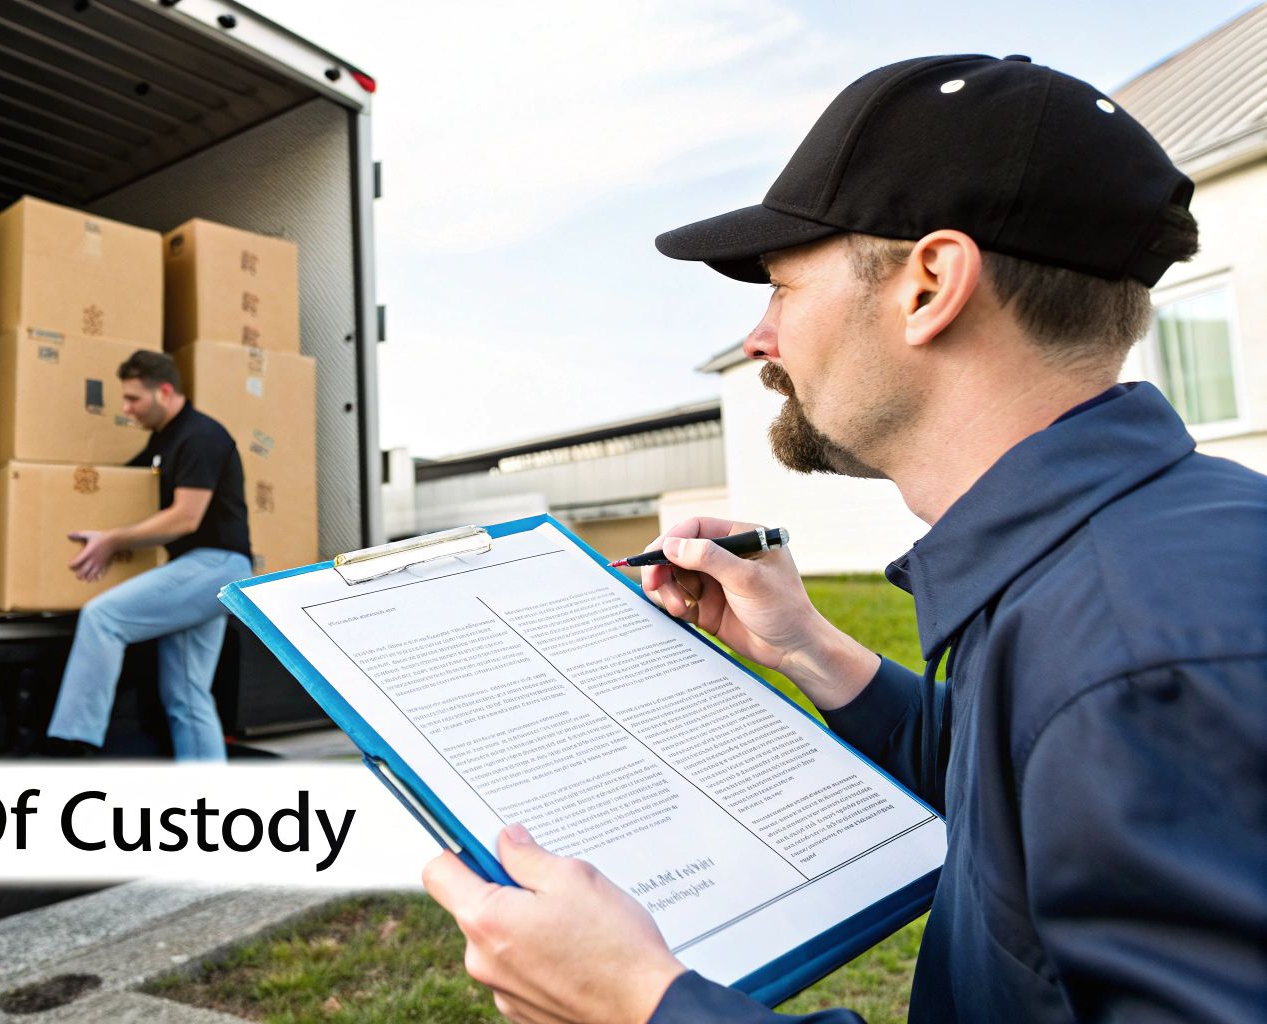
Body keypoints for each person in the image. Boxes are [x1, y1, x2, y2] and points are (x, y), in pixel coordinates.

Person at [422, 54, 1267, 1022]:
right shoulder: (1107, 582)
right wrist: (807, 649)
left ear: (928, 285)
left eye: (780, 286)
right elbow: (1019, 781)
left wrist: (644, 1004)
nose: (756, 338)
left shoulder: (1138, 661)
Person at [41, 350, 252, 762]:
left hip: (216, 566)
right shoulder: (164, 440)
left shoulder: (201, 436)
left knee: (103, 618)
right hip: (202, 570)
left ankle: (73, 744)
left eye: (134, 399)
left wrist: (111, 540)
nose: (126, 409)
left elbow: (185, 518)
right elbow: (120, 487)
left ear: (165, 392)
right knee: (187, 695)